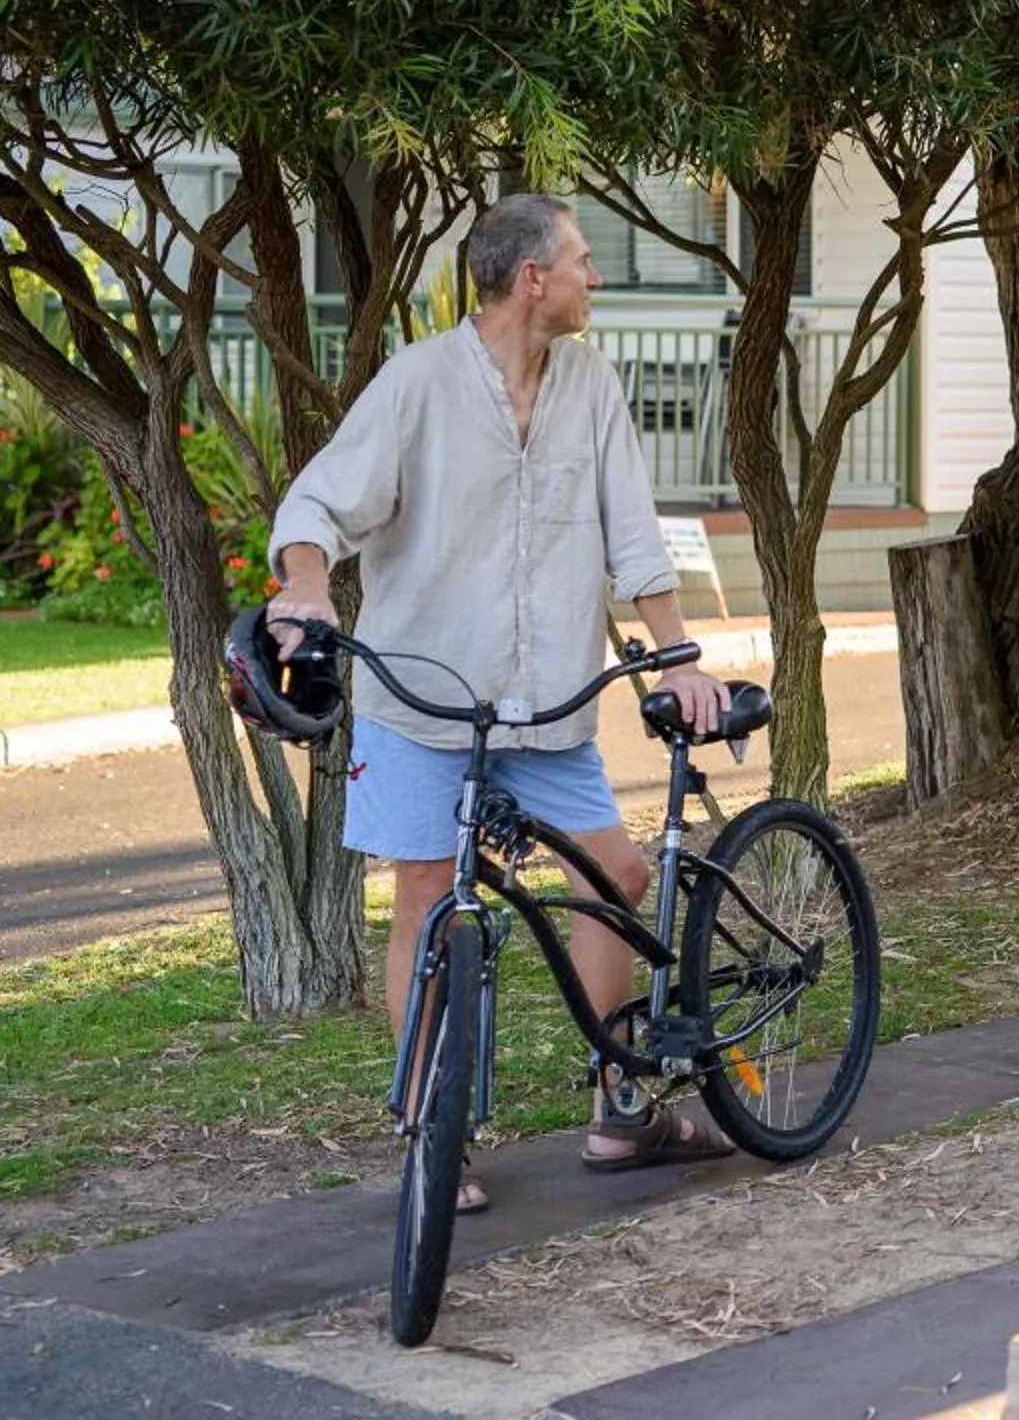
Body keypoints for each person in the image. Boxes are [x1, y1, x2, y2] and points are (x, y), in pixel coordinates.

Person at [265, 193, 737, 1212]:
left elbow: (631, 531)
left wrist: (678, 657)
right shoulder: (419, 384)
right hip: (425, 706)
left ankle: (620, 1102)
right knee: (430, 895)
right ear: (534, 278)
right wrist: (305, 583)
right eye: (581, 262)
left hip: (547, 707)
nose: (593, 280)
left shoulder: (591, 382)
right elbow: (319, 503)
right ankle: (430, 1134)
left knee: (615, 871)